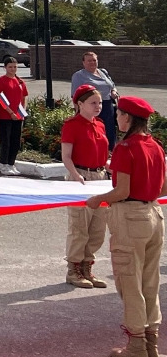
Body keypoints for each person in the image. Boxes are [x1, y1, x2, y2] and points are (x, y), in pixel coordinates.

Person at [85, 95, 164, 357]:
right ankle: (151, 343)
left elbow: (122, 191)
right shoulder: (156, 146)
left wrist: (97, 200)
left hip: (131, 218)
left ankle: (137, 346)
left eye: (119, 114)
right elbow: (163, 188)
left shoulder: (125, 148)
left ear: (128, 118)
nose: (116, 118)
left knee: (129, 282)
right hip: (154, 213)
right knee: (149, 281)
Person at [61, 85, 111, 290]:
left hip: (99, 179)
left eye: (99, 103)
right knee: (79, 227)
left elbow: (103, 153)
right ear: (80, 104)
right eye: (93, 103)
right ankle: (73, 269)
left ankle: (87, 267)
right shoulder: (72, 125)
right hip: (80, 179)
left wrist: (108, 165)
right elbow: (66, 156)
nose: (98, 106)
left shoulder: (99, 124)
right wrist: (75, 175)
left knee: (97, 228)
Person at [72, 51, 119, 147]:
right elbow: (75, 96)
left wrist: (113, 91)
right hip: (91, 106)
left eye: (94, 60)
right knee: (95, 131)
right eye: (89, 61)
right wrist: (78, 112)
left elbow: (112, 85)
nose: (92, 63)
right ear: (83, 63)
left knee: (109, 130)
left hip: (107, 105)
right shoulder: (79, 76)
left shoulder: (103, 72)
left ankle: (110, 152)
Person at [0, 60, 28, 169]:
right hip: (5, 116)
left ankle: (11, 163)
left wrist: (22, 111)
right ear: (5, 68)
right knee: (6, 141)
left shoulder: (20, 81)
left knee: (16, 141)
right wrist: (11, 112)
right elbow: (0, 98)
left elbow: (24, 97)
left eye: (14, 67)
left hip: (18, 116)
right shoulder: (0, 81)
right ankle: (4, 164)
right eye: (10, 67)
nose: (13, 69)